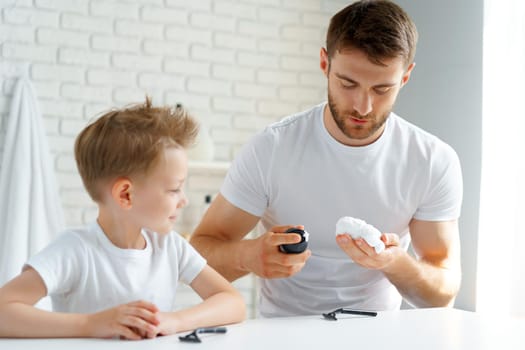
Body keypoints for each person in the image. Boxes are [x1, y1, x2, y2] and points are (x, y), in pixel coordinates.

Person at [190, 0, 463, 318]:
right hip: (283, 334)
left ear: (405, 77)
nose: (363, 106)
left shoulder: (431, 160)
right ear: (324, 64)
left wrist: (394, 262)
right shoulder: (272, 148)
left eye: (382, 89)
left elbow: (441, 295)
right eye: (348, 84)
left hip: (378, 335)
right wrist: (247, 255)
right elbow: (197, 254)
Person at [0, 98, 245, 339]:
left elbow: (233, 302)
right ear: (126, 195)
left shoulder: (171, 247)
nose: (184, 200)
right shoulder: (75, 251)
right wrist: (90, 324)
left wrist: (176, 320)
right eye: (174, 189)